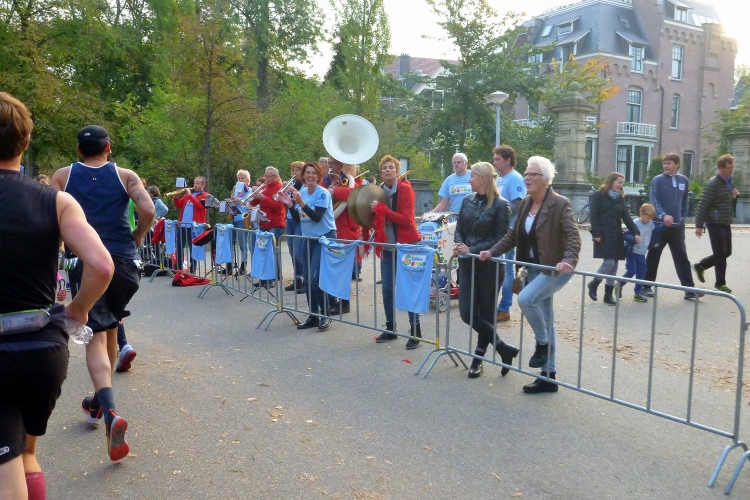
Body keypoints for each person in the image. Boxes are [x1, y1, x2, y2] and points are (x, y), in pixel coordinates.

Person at [0, 92, 113, 499]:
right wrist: (77, 311)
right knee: (25, 453)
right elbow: (102, 266)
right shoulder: (57, 201)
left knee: (5, 465)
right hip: (43, 349)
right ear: (26, 141)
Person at [50, 124, 155, 460]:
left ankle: (110, 414)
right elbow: (148, 210)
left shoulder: (63, 177)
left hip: (87, 262)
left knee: (94, 338)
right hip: (125, 263)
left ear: (79, 150)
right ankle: (97, 403)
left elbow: (50, 218)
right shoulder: (126, 176)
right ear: (108, 147)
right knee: (109, 328)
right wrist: (138, 235)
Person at [479, 156, 580, 394]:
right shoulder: (526, 203)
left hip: (554, 269)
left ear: (545, 178)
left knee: (525, 299)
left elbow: (573, 236)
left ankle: (542, 344)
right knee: (546, 319)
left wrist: (568, 260)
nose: (527, 177)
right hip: (532, 268)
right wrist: (491, 251)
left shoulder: (560, 203)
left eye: (533, 174)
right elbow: (513, 235)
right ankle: (548, 377)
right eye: (525, 173)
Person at [453, 162, 518, 378]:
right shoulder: (467, 200)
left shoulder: (501, 205)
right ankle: (503, 349)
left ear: (482, 179)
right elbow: (459, 228)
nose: (469, 179)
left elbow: (500, 238)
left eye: (472, 176)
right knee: (467, 313)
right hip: (467, 263)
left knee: (487, 314)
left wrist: (472, 249)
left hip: (490, 265)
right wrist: (460, 245)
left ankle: (478, 360)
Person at [371, 155, 424, 349]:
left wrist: (382, 210)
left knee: (407, 289)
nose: (387, 170)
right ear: (381, 172)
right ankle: (391, 328)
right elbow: (375, 218)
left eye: (391, 167)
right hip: (388, 246)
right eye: (384, 168)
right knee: (387, 288)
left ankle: (415, 331)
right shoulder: (378, 191)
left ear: (397, 171)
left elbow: (405, 219)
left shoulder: (406, 189)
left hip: (406, 246)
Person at [277, 162, 336, 330]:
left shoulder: (322, 193)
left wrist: (301, 203)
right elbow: (298, 219)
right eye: (307, 172)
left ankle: (325, 314)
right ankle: (313, 315)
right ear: (303, 176)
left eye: (313, 173)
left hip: (323, 238)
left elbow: (317, 217)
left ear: (318, 176)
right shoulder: (301, 193)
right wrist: (290, 205)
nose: (310, 175)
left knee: (315, 277)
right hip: (308, 239)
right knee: (308, 278)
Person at [641, 153, 698, 299]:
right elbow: (654, 199)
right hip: (659, 226)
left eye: (669, 163)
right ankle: (646, 286)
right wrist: (663, 215)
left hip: (677, 227)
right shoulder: (658, 180)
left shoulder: (683, 180)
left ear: (677, 164)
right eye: (664, 163)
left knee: (681, 257)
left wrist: (682, 217)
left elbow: (685, 200)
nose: (665, 166)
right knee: (654, 255)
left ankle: (689, 289)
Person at [587, 172, 641, 305]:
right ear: (611, 182)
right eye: (619, 182)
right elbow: (593, 215)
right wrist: (596, 233)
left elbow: (626, 217)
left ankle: (608, 295)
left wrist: (636, 232)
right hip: (603, 234)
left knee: (614, 266)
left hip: (616, 235)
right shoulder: (599, 195)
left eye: (622, 183)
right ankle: (594, 283)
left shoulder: (620, 198)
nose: (621, 185)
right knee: (609, 263)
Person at [693, 154, 738, 293]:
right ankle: (720, 283)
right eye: (728, 168)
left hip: (725, 222)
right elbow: (703, 204)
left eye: (732, 167)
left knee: (727, 252)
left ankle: (701, 265)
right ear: (721, 168)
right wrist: (699, 225)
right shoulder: (713, 184)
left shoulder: (729, 181)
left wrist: (734, 195)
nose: (731, 170)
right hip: (714, 223)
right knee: (720, 254)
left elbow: (729, 198)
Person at [493, 145, 526, 322]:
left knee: (506, 269)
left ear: (508, 160)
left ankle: (504, 308)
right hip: (498, 231)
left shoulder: (515, 178)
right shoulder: (499, 180)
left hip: (509, 231)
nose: (494, 162)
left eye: (497, 159)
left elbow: (518, 204)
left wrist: (500, 216)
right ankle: (495, 305)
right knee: (498, 268)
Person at [325, 156, 359, 314]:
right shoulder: (325, 180)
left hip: (345, 228)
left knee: (343, 269)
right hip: (329, 227)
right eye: (329, 163)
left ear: (341, 164)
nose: (330, 166)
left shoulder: (350, 180)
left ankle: (344, 303)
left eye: (333, 163)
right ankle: (332, 300)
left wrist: (334, 191)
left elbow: (355, 194)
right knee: (331, 266)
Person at [248, 166, 286, 284]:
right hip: (263, 222)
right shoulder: (264, 187)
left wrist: (263, 198)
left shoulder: (280, 188)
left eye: (268, 176)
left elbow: (278, 207)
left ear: (275, 176)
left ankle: (272, 278)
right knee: (263, 251)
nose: (266, 178)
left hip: (275, 223)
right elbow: (254, 203)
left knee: (272, 252)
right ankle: (264, 277)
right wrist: (254, 195)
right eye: (265, 175)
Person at [619, 203, 658, 302]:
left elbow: (656, 231)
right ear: (641, 214)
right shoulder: (635, 223)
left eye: (650, 218)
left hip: (641, 252)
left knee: (642, 272)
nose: (648, 220)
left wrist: (665, 226)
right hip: (632, 252)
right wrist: (634, 239)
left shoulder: (650, 224)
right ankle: (619, 284)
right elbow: (625, 235)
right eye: (647, 217)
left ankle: (637, 293)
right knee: (632, 271)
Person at [172, 176, 209, 274]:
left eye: (198, 183)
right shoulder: (188, 195)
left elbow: (200, 206)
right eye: (194, 183)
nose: (195, 185)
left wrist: (189, 196)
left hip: (194, 226)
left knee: (193, 248)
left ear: (203, 185)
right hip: (182, 225)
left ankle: (193, 268)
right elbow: (179, 205)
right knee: (179, 247)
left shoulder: (205, 195)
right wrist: (176, 198)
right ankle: (179, 268)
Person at [283, 161, 306, 293]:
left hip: (299, 220)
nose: (294, 172)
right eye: (293, 170)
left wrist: (293, 190)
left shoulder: (304, 186)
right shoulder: (293, 184)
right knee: (292, 252)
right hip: (290, 219)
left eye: (297, 170)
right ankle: (297, 279)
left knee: (298, 252)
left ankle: (304, 279)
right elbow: (287, 203)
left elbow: (302, 198)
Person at [227, 170, 251, 275]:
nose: (240, 180)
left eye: (242, 178)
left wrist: (239, 200)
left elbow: (249, 204)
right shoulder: (235, 190)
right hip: (234, 217)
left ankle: (243, 266)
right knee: (230, 242)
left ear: (248, 180)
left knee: (242, 243)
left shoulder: (250, 191)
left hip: (243, 218)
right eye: (239, 178)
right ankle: (229, 266)